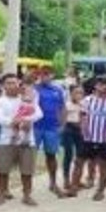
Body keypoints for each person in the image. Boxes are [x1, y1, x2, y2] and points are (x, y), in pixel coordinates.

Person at [66, 75, 106, 201]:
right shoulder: (87, 101)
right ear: (96, 85)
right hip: (88, 138)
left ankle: (100, 190)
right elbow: (82, 115)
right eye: (102, 84)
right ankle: (73, 188)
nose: (105, 87)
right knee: (78, 162)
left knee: (104, 166)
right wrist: (82, 128)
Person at [0, 74, 42, 206]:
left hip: (26, 139)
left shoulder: (27, 98)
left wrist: (26, 120)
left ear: (18, 84)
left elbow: (38, 113)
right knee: (3, 169)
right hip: (6, 139)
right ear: (3, 86)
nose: (11, 85)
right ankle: (2, 193)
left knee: (27, 169)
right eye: (8, 83)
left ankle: (27, 195)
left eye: (14, 83)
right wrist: (14, 122)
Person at [33, 66, 67, 196]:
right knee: (31, 155)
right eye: (43, 74)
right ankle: (28, 185)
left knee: (51, 155)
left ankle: (53, 183)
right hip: (36, 127)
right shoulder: (34, 89)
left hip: (52, 127)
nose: (45, 76)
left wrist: (62, 125)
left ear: (52, 75)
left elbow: (62, 108)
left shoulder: (58, 90)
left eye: (48, 74)